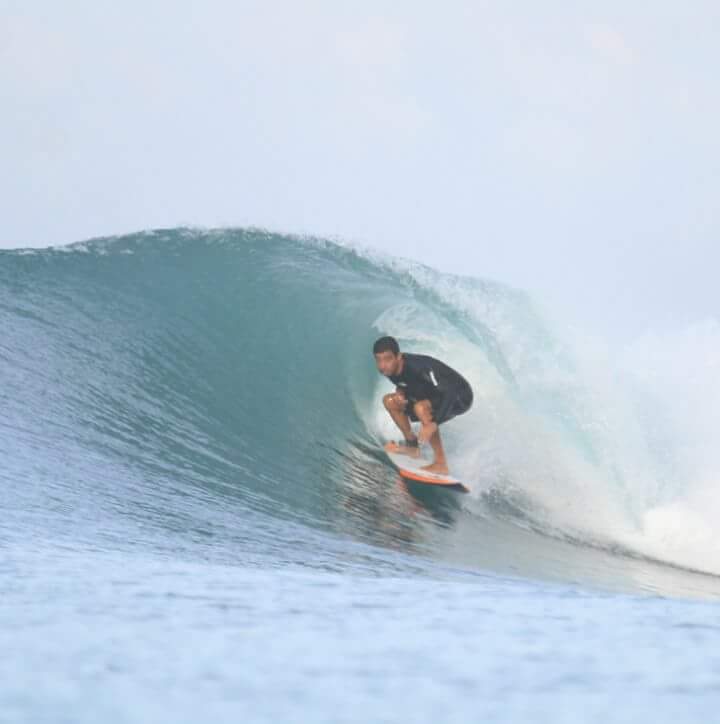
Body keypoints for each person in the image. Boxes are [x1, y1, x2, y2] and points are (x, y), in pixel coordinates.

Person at [373, 336, 473, 475]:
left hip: (460, 397)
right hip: (431, 396)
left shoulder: (418, 368)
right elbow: (406, 382)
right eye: (378, 359)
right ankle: (412, 446)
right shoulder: (389, 369)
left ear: (398, 357)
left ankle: (440, 463)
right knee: (390, 401)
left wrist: (433, 423)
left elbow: (450, 391)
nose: (382, 365)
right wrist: (400, 392)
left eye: (387, 359)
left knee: (421, 408)